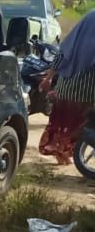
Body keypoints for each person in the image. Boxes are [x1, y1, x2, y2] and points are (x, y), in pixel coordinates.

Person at [38, 9, 95, 166]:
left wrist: (48, 78)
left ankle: (60, 153)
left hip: (65, 87)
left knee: (61, 122)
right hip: (87, 92)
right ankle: (66, 153)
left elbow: (60, 57)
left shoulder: (75, 39)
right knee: (81, 124)